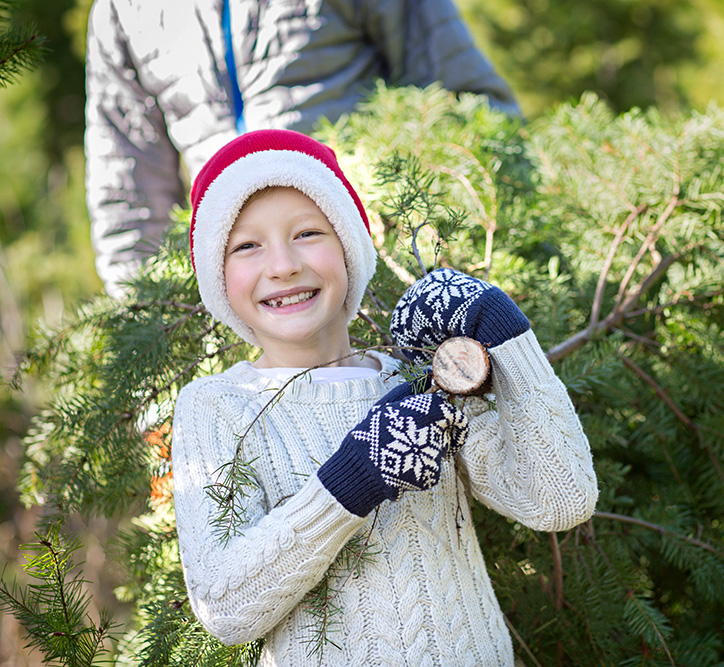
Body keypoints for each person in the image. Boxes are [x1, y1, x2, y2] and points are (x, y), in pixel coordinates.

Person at [171, 128, 598, 665]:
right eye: (247, 246)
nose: (281, 264)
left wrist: (506, 335)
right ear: (219, 277)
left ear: (349, 249)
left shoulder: (416, 382)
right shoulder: (214, 408)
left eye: (307, 233)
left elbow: (562, 499)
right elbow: (225, 607)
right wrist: (352, 480)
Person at [84, 0, 519, 297]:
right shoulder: (123, 11)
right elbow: (129, 197)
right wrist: (146, 331)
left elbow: (466, 102)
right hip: (243, 302)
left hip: (387, 271)